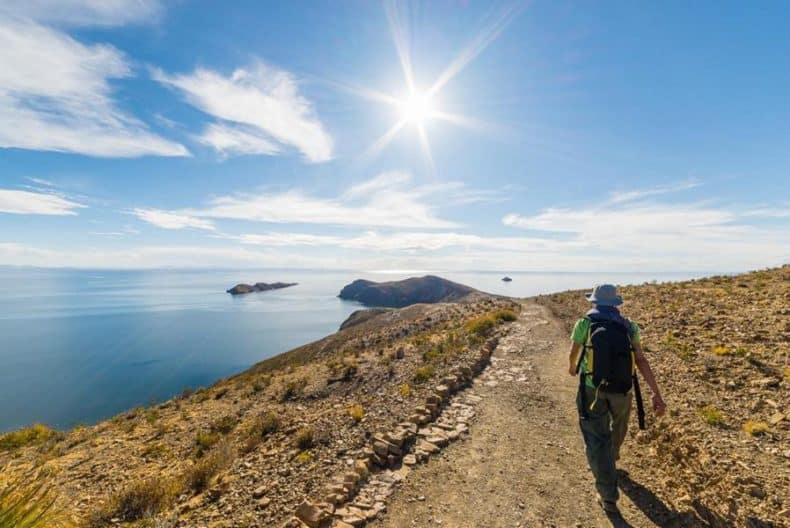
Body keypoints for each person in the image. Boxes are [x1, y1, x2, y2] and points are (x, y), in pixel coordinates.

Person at [568, 284, 666, 515]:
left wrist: (573, 368)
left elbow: (574, 352)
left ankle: (608, 494)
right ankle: (611, 459)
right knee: (618, 427)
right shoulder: (629, 326)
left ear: (594, 302)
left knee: (595, 437)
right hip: (623, 390)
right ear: (616, 304)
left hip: (593, 388)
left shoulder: (585, 323)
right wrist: (656, 393)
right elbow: (640, 360)